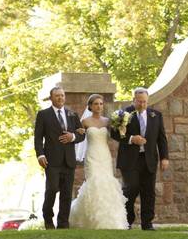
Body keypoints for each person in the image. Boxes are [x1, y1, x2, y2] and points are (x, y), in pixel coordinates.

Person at [112, 87, 169, 230]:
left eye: (145, 102)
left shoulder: (156, 115)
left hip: (149, 159)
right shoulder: (123, 114)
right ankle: (127, 220)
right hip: (130, 160)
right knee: (131, 188)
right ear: (134, 100)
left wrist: (164, 157)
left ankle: (147, 223)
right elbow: (114, 134)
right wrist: (131, 139)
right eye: (139, 102)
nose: (142, 105)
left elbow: (161, 138)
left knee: (149, 191)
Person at [69, 94, 128, 229]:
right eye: (96, 104)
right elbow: (79, 136)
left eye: (101, 104)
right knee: (94, 182)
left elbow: (117, 136)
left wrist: (122, 128)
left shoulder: (108, 121)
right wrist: (78, 132)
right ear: (90, 106)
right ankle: (91, 220)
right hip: (92, 156)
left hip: (104, 156)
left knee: (107, 183)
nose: (99, 106)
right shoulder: (85, 121)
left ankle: (111, 221)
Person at [33, 86, 86, 229]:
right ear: (51, 98)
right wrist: (40, 154)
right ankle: (48, 221)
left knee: (67, 193)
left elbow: (82, 134)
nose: (60, 98)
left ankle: (63, 223)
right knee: (51, 189)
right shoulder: (43, 115)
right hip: (51, 160)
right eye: (57, 96)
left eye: (62, 95)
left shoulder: (72, 114)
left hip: (69, 160)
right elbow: (38, 138)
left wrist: (72, 136)